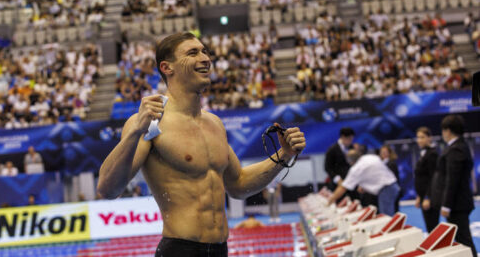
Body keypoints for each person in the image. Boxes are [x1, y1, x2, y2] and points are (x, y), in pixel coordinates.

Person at [97, 32, 306, 257]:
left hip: (220, 250)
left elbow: (239, 184)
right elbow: (107, 190)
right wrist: (135, 132)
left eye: (205, 51)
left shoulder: (214, 123)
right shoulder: (151, 122)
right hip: (180, 250)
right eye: (192, 52)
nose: (205, 58)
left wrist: (283, 155)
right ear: (167, 67)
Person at [427, 115, 476, 256]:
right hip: (457, 203)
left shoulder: (457, 149)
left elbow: (452, 179)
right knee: (461, 239)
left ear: (447, 130)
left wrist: (446, 205)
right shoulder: (457, 147)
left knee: (463, 240)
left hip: (457, 204)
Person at [327, 150, 400, 216]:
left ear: (350, 161)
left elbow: (343, 187)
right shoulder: (369, 157)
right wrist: (364, 185)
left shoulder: (356, 168)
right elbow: (374, 173)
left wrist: (330, 200)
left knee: (387, 216)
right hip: (393, 186)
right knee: (390, 214)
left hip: (386, 189)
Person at [413, 127, 439, 232]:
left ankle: (438, 248)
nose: (419, 140)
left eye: (422, 137)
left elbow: (433, 178)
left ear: (429, 138)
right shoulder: (423, 153)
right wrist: (420, 196)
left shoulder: (432, 154)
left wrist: (428, 197)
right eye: (418, 137)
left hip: (431, 197)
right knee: (429, 227)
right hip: (424, 196)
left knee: (432, 227)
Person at [379, 145, 400, 212]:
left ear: (389, 153)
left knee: (391, 211)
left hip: (390, 190)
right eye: (382, 152)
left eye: (385, 152)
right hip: (383, 191)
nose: (383, 154)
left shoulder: (391, 164)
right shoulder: (380, 163)